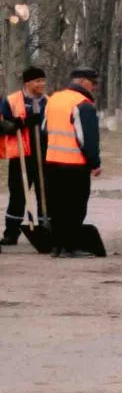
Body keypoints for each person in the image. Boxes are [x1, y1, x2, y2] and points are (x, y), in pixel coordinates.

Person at [41, 66, 103, 258]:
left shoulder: (54, 100)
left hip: (52, 163)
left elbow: (44, 131)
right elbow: (87, 138)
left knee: (57, 207)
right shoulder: (82, 104)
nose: (94, 87)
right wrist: (94, 163)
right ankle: (70, 247)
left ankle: (57, 246)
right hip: (74, 165)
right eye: (93, 83)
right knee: (75, 208)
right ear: (83, 81)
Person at [2, 64, 42, 247]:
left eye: (43, 80)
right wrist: (19, 124)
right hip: (20, 155)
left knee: (44, 194)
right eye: (38, 81)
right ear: (27, 82)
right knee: (17, 194)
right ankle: (11, 233)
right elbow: (3, 124)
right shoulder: (11, 100)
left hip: (43, 155)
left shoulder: (47, 101)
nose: (42, 84)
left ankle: (44, 230)